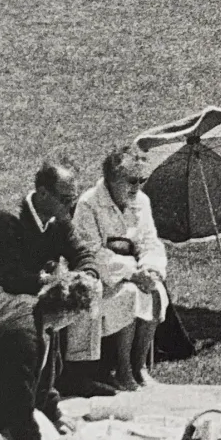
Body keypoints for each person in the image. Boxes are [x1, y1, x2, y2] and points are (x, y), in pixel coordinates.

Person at [0, 160, 95, 440]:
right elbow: (12, 277)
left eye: (74, 199)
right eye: (66, 199)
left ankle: (52, 394)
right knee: (41, 312)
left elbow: (81, 253)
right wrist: (55, 282)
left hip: (29, 292)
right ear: (43, 193)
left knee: (54, 311)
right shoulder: (5, 220)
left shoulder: (59, 221)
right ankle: (39, 400)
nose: (71, 206)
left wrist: (88, 275)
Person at [75, 145, 169, 392]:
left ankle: (140, 367)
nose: (137, 187)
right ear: (111, 179)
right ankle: (122, 369)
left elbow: (150, 241)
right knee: (127, 294)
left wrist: (151, 270)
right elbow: (91, 252)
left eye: (142, 180)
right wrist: (131, 272)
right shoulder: (88, 205)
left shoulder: (142, 202)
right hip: (100, 279)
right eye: (131, 180)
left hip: (133, 273)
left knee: (156, 291)